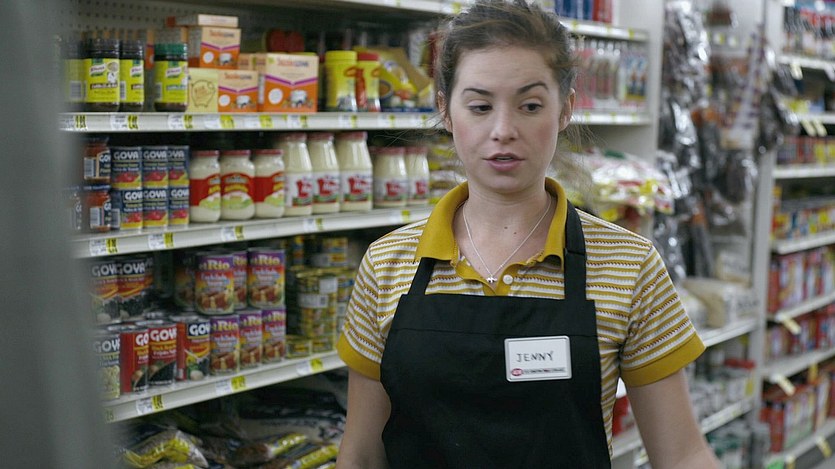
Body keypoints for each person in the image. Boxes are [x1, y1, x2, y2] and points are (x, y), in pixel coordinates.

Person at [335, 1, 718, 467]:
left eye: (530, 106)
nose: (503, 130)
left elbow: (682, 455)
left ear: (565, 110)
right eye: (480, 106)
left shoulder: (628, 264)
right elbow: (360, 456)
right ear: (445, 110)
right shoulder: (388, 263)